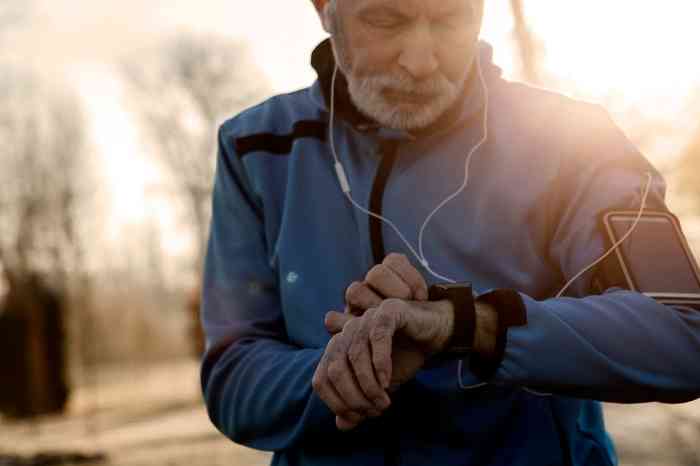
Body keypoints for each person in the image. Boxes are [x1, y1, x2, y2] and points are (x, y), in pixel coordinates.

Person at [200, 1, 700, 465]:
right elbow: (231, 377)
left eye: (450, 19)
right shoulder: (255, 147)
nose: (420, 60)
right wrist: (341, 372)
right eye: (386, 20)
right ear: (324, 7)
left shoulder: (572, 139)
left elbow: (684, 334)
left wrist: (468, 326)